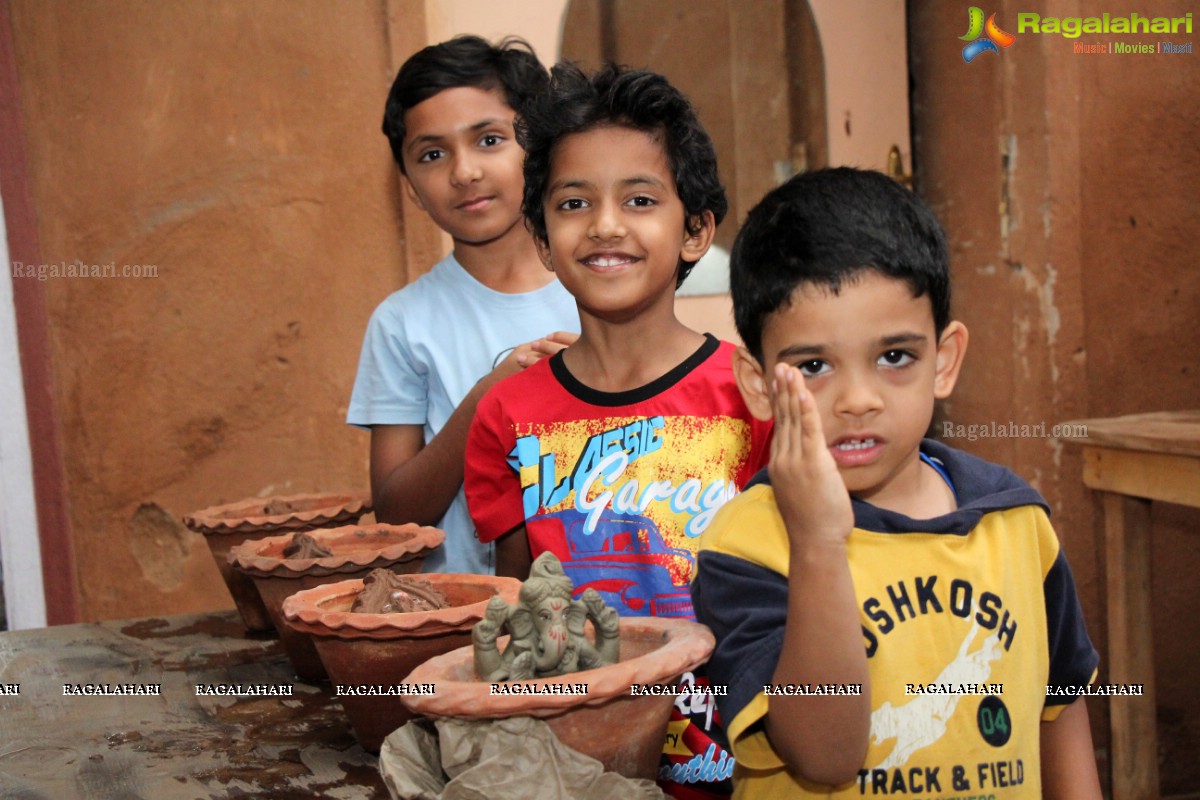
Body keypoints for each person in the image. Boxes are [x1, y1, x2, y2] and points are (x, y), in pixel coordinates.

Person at [692, 167, 1102, 799]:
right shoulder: (749, 545)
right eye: (815, 365)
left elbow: (1062, 704)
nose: (858, 400)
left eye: (894, 357)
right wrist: (819, 545)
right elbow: (824, 758)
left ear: (945, 360)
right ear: (758, 384)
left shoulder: (1014, 519)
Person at [464, 63, 772, 797]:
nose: (605, 225)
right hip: (575, 763)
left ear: (696, 230)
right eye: (574, 203)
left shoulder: (752, 397)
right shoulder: (509, 416)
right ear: (541, 239)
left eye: (639, 199)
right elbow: (521, 607)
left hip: (740, 759)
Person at [348, 36, 579, 575]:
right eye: (432, 154)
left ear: (538, 148)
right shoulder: (402, 324)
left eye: (489, 140)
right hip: (458, 628)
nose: (464, 171)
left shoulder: (601, 296)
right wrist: (487, 401)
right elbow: (396, 516)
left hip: (602, 612)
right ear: (408, 185)